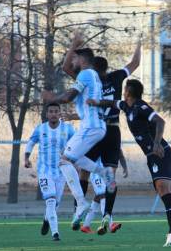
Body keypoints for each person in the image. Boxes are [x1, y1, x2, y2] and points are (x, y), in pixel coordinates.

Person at [88, 79, 171, 247]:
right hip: (152, 155)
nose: (123, 92)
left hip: (159, 152)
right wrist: (94, 102)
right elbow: (110, 102)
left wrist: (156, 143)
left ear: (129, 92)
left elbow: (160, 122)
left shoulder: (141, 106)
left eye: (125, 89)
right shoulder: (126, 106)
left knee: (164, 191)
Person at [61, 32, 140, 234]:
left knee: (81, 168)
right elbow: (134, 63)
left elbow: (66, 68)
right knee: (109, 175)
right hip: (111, 129)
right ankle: (107, 216)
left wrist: (73, 45)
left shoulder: (88, 78)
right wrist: (139, 41)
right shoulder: (115, 77)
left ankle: (78, 212)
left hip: (96, 129)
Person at [42, 46, 115, 231]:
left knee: (64, 160)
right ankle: (103, 172)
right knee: (70, 159)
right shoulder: (94, 77)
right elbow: (77, 93)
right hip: (95, 127)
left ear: (82, 59)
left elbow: (69, 96)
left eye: (74, 59)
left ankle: (81, 202)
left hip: (90, 128)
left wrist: (52, 97)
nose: (72, 63)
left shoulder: (85, 74)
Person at [24, 102, 75, 241]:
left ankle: (47, 219)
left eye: (56, 111)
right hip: (44, 171)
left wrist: (77, 161)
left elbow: (77, 144)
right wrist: (26, 158)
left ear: (59, 114)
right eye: (50, 111)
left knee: (55, 203)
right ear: (47, 114)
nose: (53, 114)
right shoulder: (40, 129)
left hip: (61, 172)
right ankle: (55, 233)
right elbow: (31, 142)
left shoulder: (68, 129)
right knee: (50, 201)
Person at [80, 160, 107, 234]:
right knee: (103, 195)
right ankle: (108, 223)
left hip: (103, 173)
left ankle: (86, 225)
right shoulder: (93, 148)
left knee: (97, 198)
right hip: (96, 174)